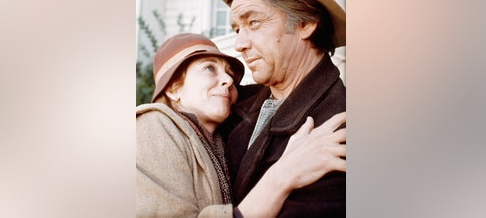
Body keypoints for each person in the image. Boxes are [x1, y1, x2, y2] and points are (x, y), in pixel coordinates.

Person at [136, 33, 347, 217]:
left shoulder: (221, 139)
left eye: (229, 73)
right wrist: (285, 173)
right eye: (210, 68)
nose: (228, 79)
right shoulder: (153, 125)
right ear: (173, 89)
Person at [208, 0, 347, 216]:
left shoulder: (339, 129)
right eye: (237, 28)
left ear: (305, 23)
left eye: (254, 23)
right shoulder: (231, 103)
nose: (239, 44)